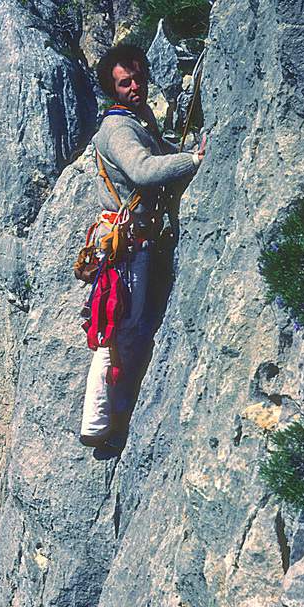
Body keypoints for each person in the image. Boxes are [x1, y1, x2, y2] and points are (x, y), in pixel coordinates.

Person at [80, 43, 206, 451]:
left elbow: (153, 155)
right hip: (128, 244)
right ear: (112, 89)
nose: (135, 85)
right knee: (120, 329)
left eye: (137, 77)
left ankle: (106, 414)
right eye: (124, 82)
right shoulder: (119, 128)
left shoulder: (135, 118)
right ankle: (100, 421)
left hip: (130, 238)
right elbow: (142, 169)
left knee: (121, 325)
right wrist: (192, 161)